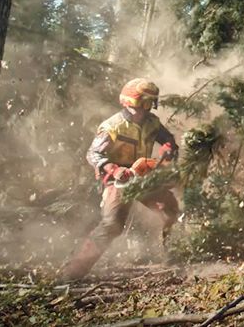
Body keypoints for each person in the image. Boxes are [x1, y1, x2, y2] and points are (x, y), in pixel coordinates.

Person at [58, 78, 180, 282]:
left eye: (151, 103)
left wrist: (168, 148)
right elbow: (93, 154)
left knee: (170, 210)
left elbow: (168, 140)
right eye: (147, 103)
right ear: (134, 102)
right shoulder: (113, 126)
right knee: (111, 225)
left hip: (143, 178)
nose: (150, 108)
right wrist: (113, 169)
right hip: (118, 182)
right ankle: (71, 274)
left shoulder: (152, 122)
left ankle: (174, 256)